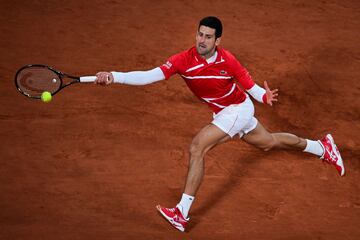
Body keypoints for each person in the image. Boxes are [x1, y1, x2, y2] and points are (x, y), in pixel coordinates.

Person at [94, 16, 345, 232]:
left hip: (238, 109)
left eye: (208, 37)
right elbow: (149, 76)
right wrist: (114, 76)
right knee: (269, 142)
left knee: (198, 147)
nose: (201, 40)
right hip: (224, 113)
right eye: (199, 34)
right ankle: (322, 148)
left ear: (217, 41)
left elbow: (252, 88)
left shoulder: (229, 61)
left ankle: (182, 213)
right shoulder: (183, 60)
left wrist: (264, 96)